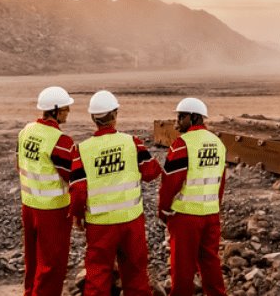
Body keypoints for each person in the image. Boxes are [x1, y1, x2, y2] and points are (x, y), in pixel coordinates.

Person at [70, 90, 162, 296]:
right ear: (115, 114)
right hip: (131, 221)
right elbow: (151, 172)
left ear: (93, 118)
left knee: (98, 275)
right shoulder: (132, 142)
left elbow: (77, 190)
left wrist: (78, 216)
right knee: (136, 275)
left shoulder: (82, 150)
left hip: (100, 225)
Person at [158, 97, 227, 296]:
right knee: (211, 263)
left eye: (181, 116)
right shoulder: (217, 143)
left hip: (186, 216)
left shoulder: (182, 145)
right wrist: (215, 206)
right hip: (211, 214)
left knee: (182, 267)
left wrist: (163, 210)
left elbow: (170, 182)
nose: (177, 121)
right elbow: (220, 181)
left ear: (194, 117)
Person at [18, 85, 80, 296]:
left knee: (33, 259)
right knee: (52, 265)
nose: (68, 112)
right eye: (65, 108)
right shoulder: (61, 141)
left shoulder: (26, 131)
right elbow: (73, 176)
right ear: (54, 110)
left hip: (29, 206)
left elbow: (19, 164)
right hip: (53, 211)